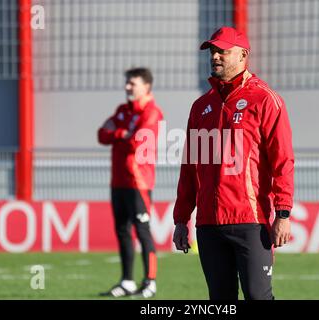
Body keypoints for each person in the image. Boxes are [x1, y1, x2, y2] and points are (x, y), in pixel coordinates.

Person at [172, 26, 294, 300]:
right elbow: (190, 167)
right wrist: (181, 218)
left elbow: (282, 160)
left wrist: (283, 213)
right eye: (213, 51)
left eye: (222, 51)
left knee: (258, 296)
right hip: (208, 224)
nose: (215, 56)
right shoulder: (201, 106)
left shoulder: (265, 100)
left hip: (250, 221)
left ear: (243, 55)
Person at [98, 67, 163, 298]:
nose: (127, 87)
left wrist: (122, 133)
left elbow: (138, 141)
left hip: (139, 182)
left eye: (132, 83)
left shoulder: (152, 113)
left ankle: (150, 282)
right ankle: (127, 281)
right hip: (118, 181)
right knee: (122, 231)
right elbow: (102, 134)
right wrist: (121, 134)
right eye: (127, 83)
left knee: (143, 232)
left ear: (146, 87)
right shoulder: (122, 110)